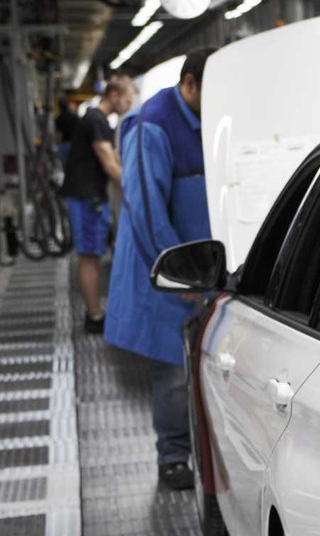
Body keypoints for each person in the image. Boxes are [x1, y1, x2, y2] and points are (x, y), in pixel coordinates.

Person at [106, 48, 217, 491]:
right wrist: (177, 268)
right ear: (189, 83)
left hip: (210, 265)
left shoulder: (217, 115)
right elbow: (146, 206)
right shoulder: (153, 123)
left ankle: (210, 450)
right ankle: (173, 456)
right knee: (174, 366)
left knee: (211, 363)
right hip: (172, 267)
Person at [59, 79, 133, 333]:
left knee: (92, 256)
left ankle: (95, 312)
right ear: (113, 95)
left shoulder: (97, 120)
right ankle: (94, 316)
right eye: (127, 99)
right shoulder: (96, 121)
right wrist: (139, 190)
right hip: (87, 198)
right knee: (89, 258)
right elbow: (110, 164)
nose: (129, 105)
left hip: (88, 196)